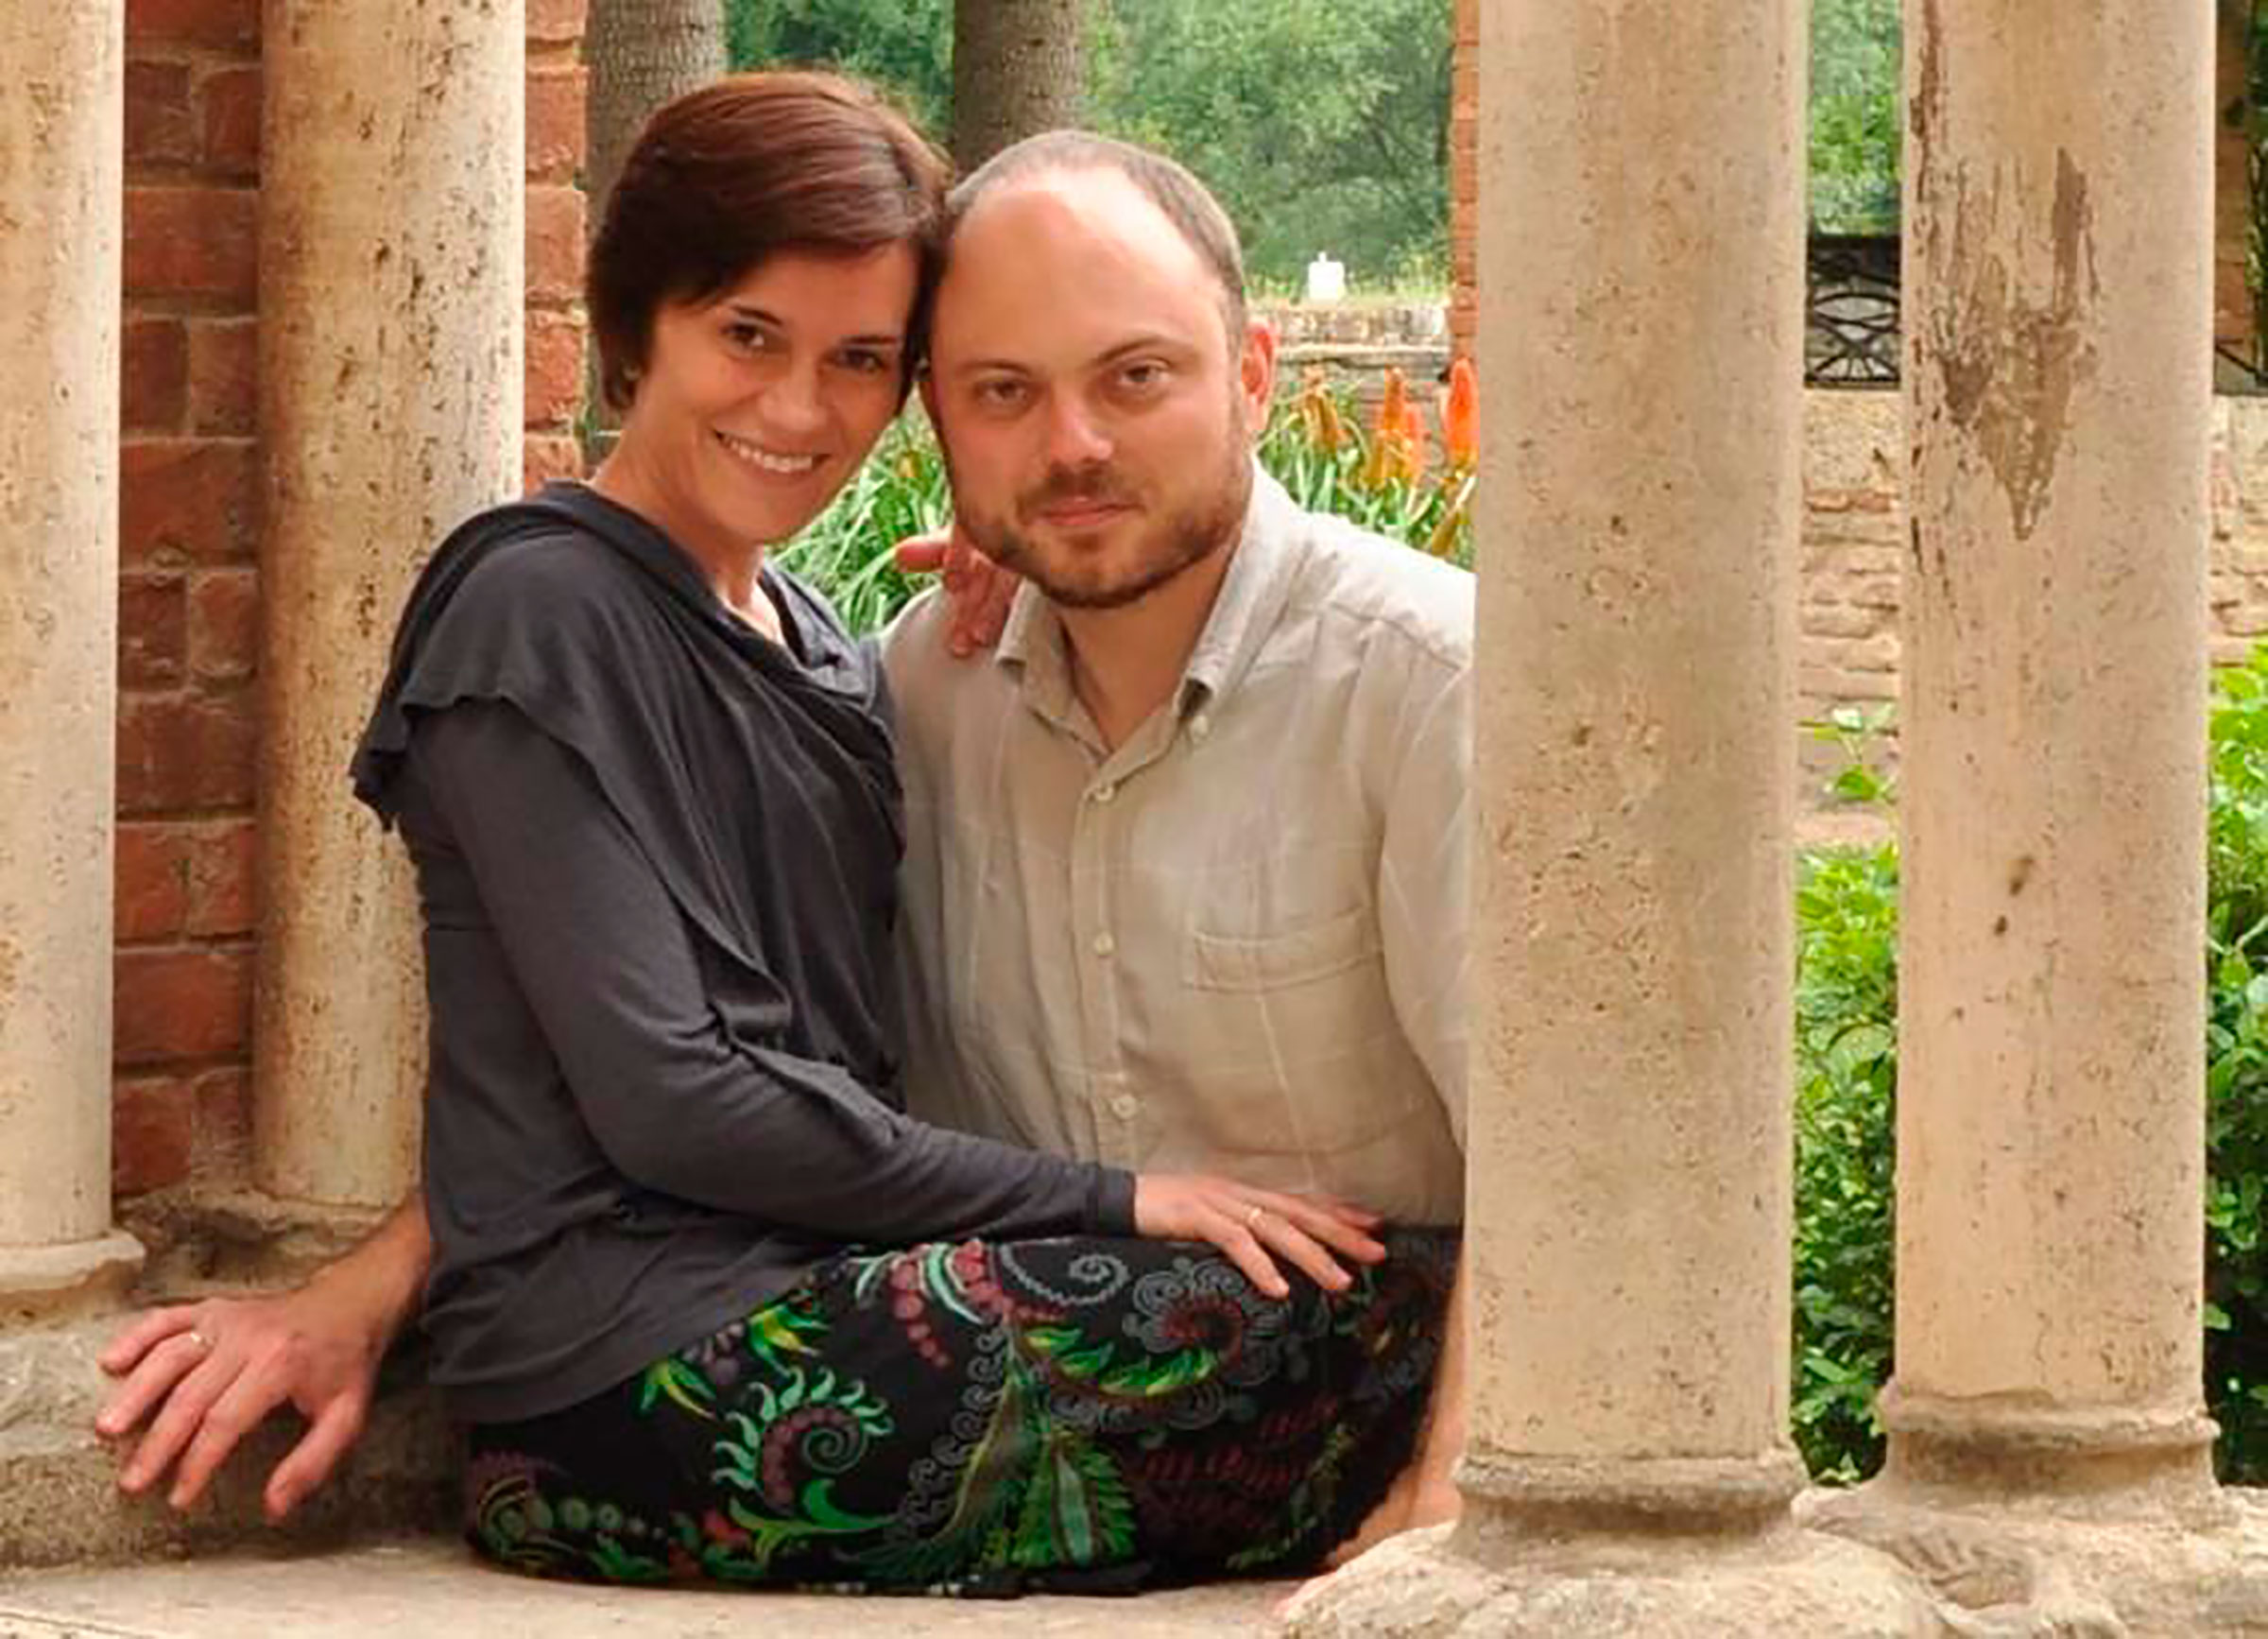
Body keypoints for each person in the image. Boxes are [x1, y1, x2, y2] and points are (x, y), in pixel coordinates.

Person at [94, 74, 1449, 1594]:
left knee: (1339, 1290)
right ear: (639, 326)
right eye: (749, 336)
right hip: (638, 1388)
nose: (801, 410)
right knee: (1348, 1301)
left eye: (860, 360)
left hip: (808, 1297)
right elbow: (668, 1097)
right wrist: (1125, 1198)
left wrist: (1027, 561)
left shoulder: (832, 651)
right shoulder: (536, 606)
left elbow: (686, 1065)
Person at [885, 132, 1472, 1563]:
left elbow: (1565, 1146)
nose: (1073, 444)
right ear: (939, 432)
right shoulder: (921, 689)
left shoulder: (1430, 680)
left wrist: (1449, 1505)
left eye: (1134, 377)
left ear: (1255, 375)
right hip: (1039, 1446)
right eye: (1003, 394)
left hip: (1360, 1402)